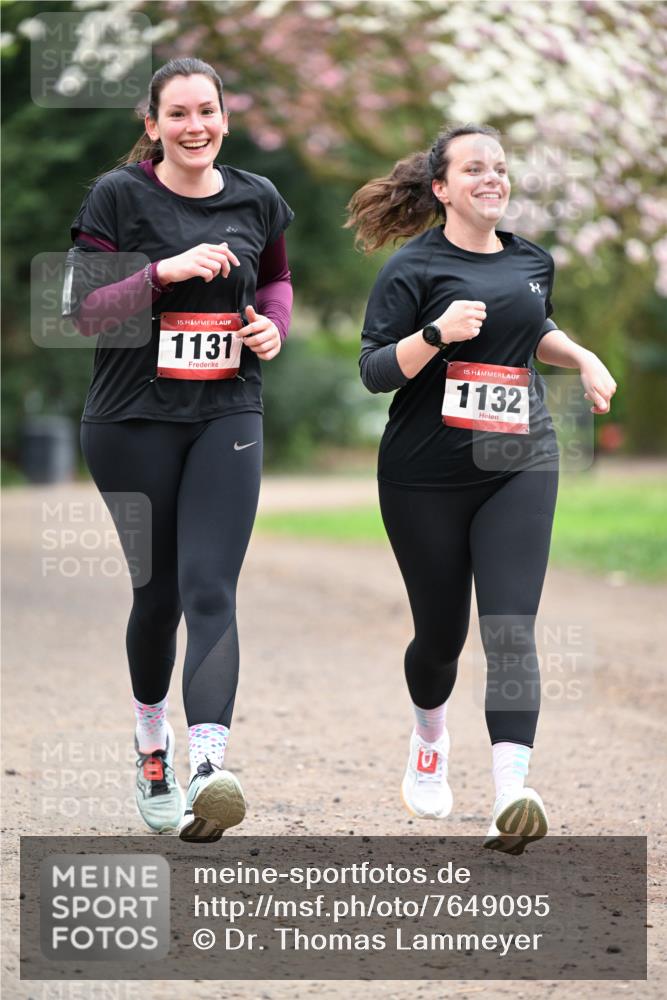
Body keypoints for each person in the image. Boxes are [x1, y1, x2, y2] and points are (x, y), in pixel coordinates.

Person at [347, 125, 616, 853]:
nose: (491, 178)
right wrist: (433, 335)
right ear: (441, 188)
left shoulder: (532, 259)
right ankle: (429, 736)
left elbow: (533, 327)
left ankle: (510, 793)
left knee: (509, 628)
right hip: (423, 476)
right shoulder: (412, 268)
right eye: (474, 168)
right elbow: (373, 371)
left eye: (498, 167)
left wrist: (580, 355)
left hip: (518, 462)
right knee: (440, 637)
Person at [63, 58, 294, 842]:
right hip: (130, 420)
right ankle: (151, 743)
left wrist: (272, 325)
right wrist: (162, 271)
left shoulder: (256, 196)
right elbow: (86, 311)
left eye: (209, 111)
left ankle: (207, 768)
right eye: (179, 114)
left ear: (224, 116)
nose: (196, 126)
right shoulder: (119, 195)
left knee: (209, 588)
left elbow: (276, 282)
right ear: (153, 123)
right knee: (157, 596)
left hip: (227, 408)